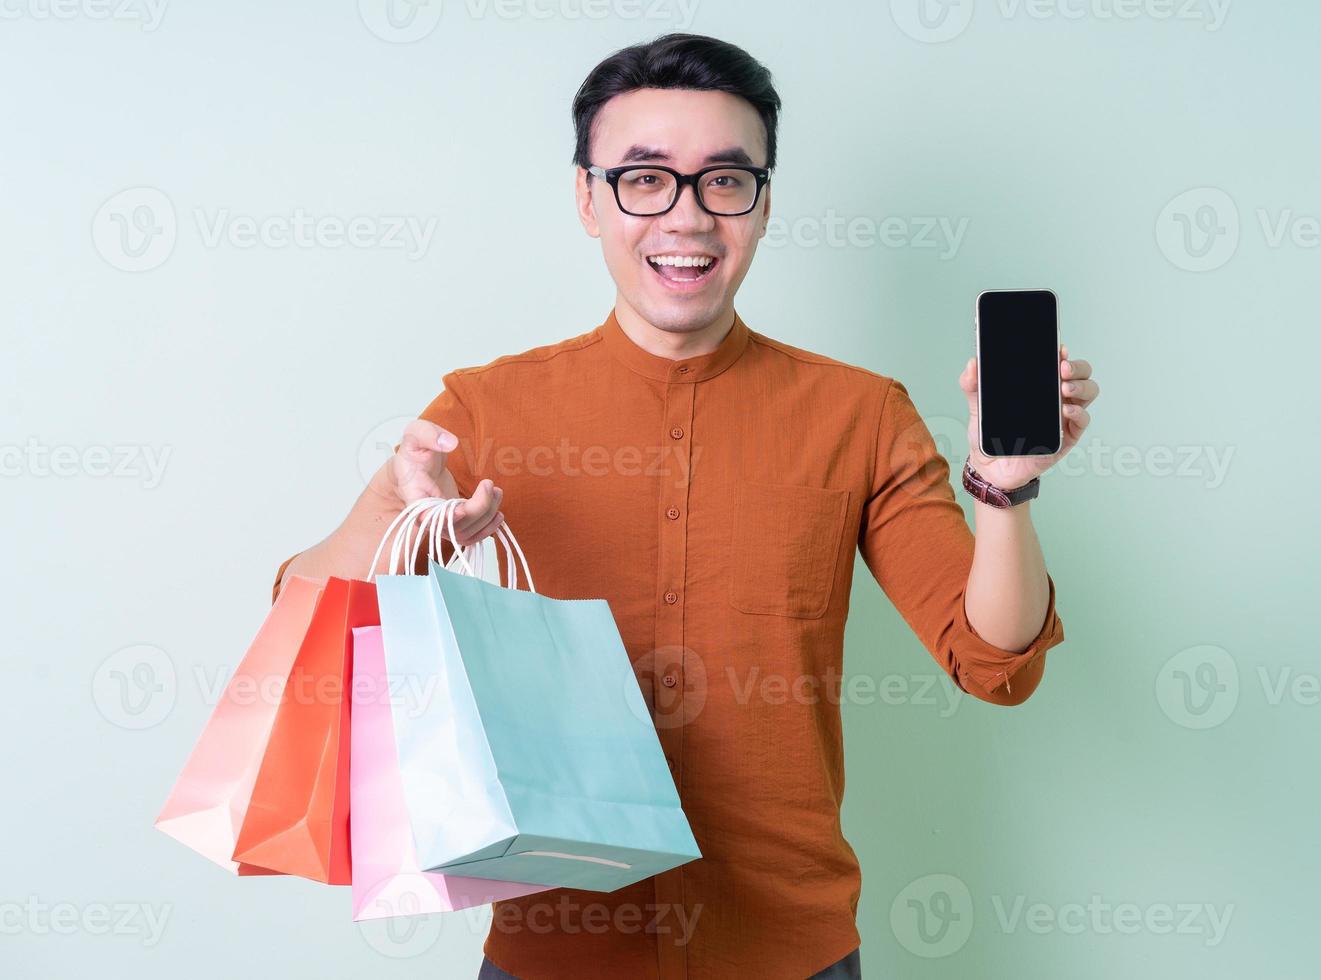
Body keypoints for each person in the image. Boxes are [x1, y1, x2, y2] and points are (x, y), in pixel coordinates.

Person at [273, 32, 1097, 980]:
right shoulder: (484, 409)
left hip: (789, 953)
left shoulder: (860, 415)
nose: (688, 217)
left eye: (725, 181)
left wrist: (1004, 485)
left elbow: (995, 661)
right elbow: (301, 636)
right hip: (552, 955)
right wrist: (388, 503)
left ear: (763, 202)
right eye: (645, 179)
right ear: (588, 198)